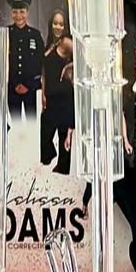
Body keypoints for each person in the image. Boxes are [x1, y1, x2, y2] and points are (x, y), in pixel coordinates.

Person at [6, 0, 45, 119]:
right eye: (15, 12)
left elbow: (40, 62)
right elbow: (4, 62)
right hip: (12, 89)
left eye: (22, 11)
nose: (18, 15)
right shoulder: (6, 33)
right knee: (14, 125)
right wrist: (15, 84)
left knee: (31, 125)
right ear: (11, 13)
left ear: (27, 13)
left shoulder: (35, 35)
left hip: (31, 90)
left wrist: (28, 84)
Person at [40, 35, 76, 172]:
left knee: (64, 134)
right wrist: (43, 93)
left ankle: (62, 167)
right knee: (46, 130)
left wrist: (69, 67)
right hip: (52, 98)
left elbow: (82, 57)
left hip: (66, 99)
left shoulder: (69, 47)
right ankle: (48, 158)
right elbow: (44, 74)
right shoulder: (49, 52)